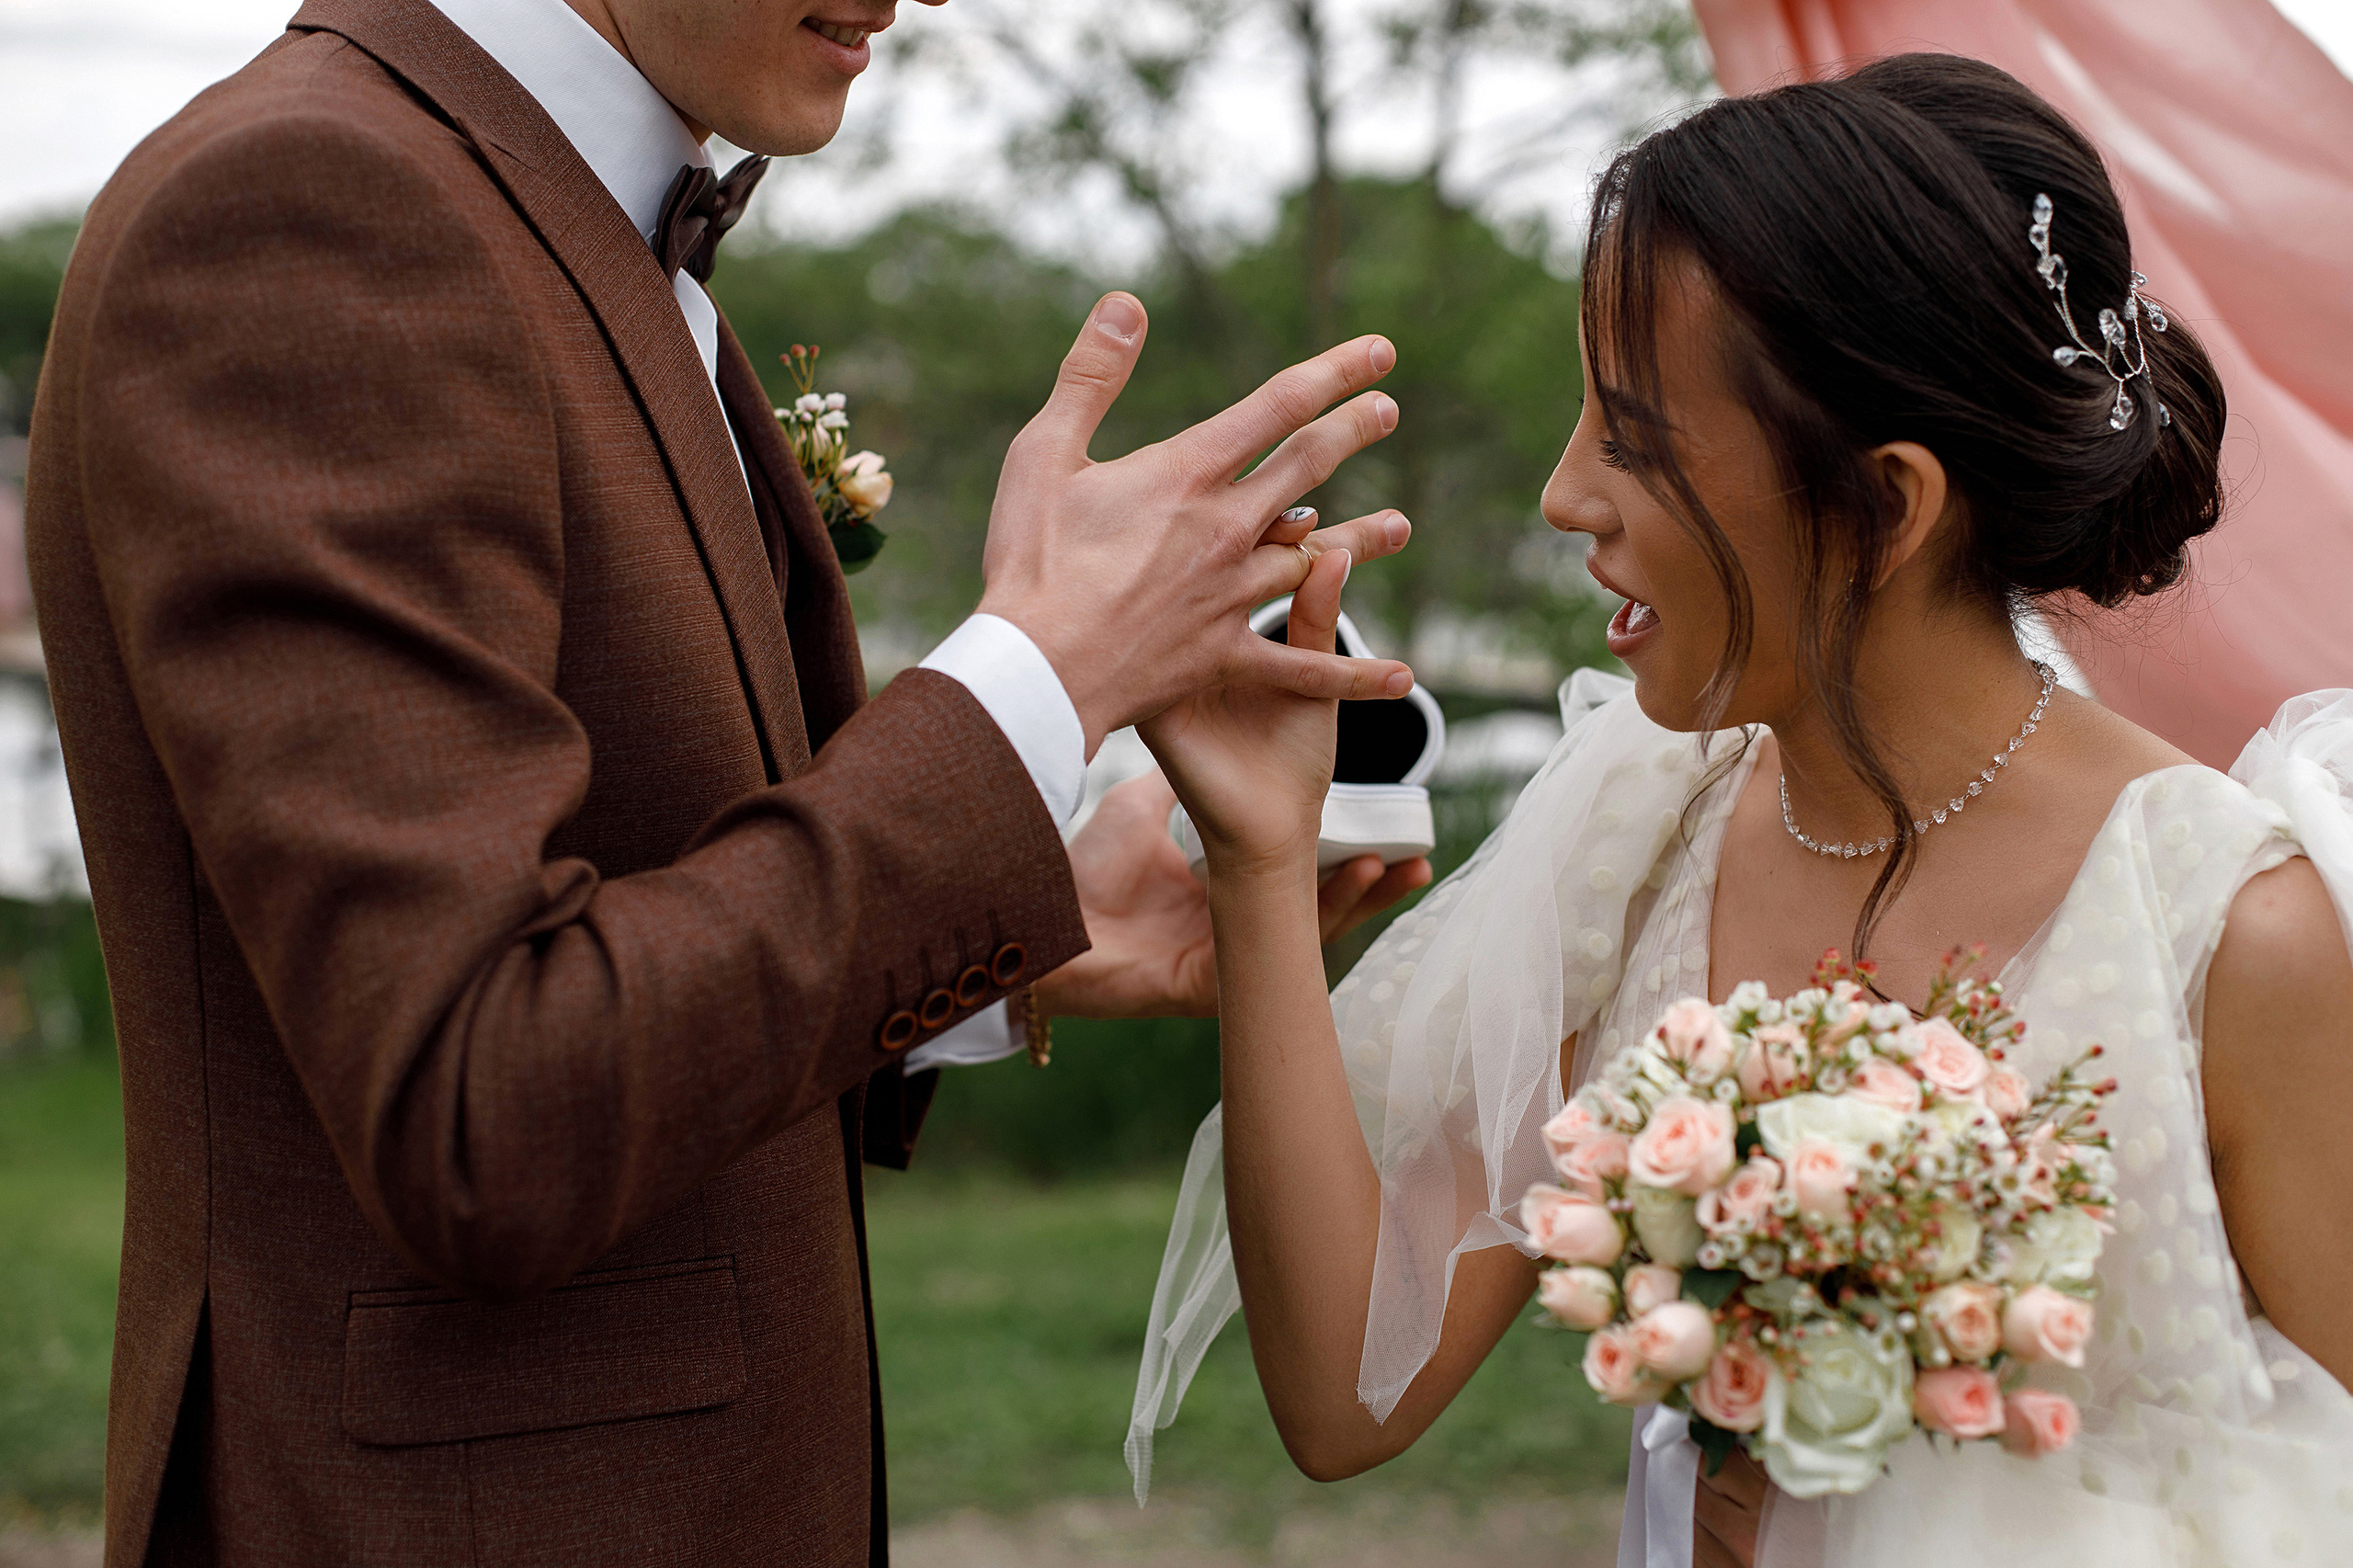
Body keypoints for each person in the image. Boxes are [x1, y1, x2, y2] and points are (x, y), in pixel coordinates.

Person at [23, 0, 1432, 1562]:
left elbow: (631, 909)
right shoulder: (308, 210)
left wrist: (1029, 928)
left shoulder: (561, 214)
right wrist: (1040, 675)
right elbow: (479, 1099)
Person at [1130, 53, 2353, 1567]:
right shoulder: (1638, 838)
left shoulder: (2233, 930)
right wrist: (1260, 864)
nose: (1566, 497)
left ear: (1885, 505)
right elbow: (1343, 1393)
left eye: (1633, 441)